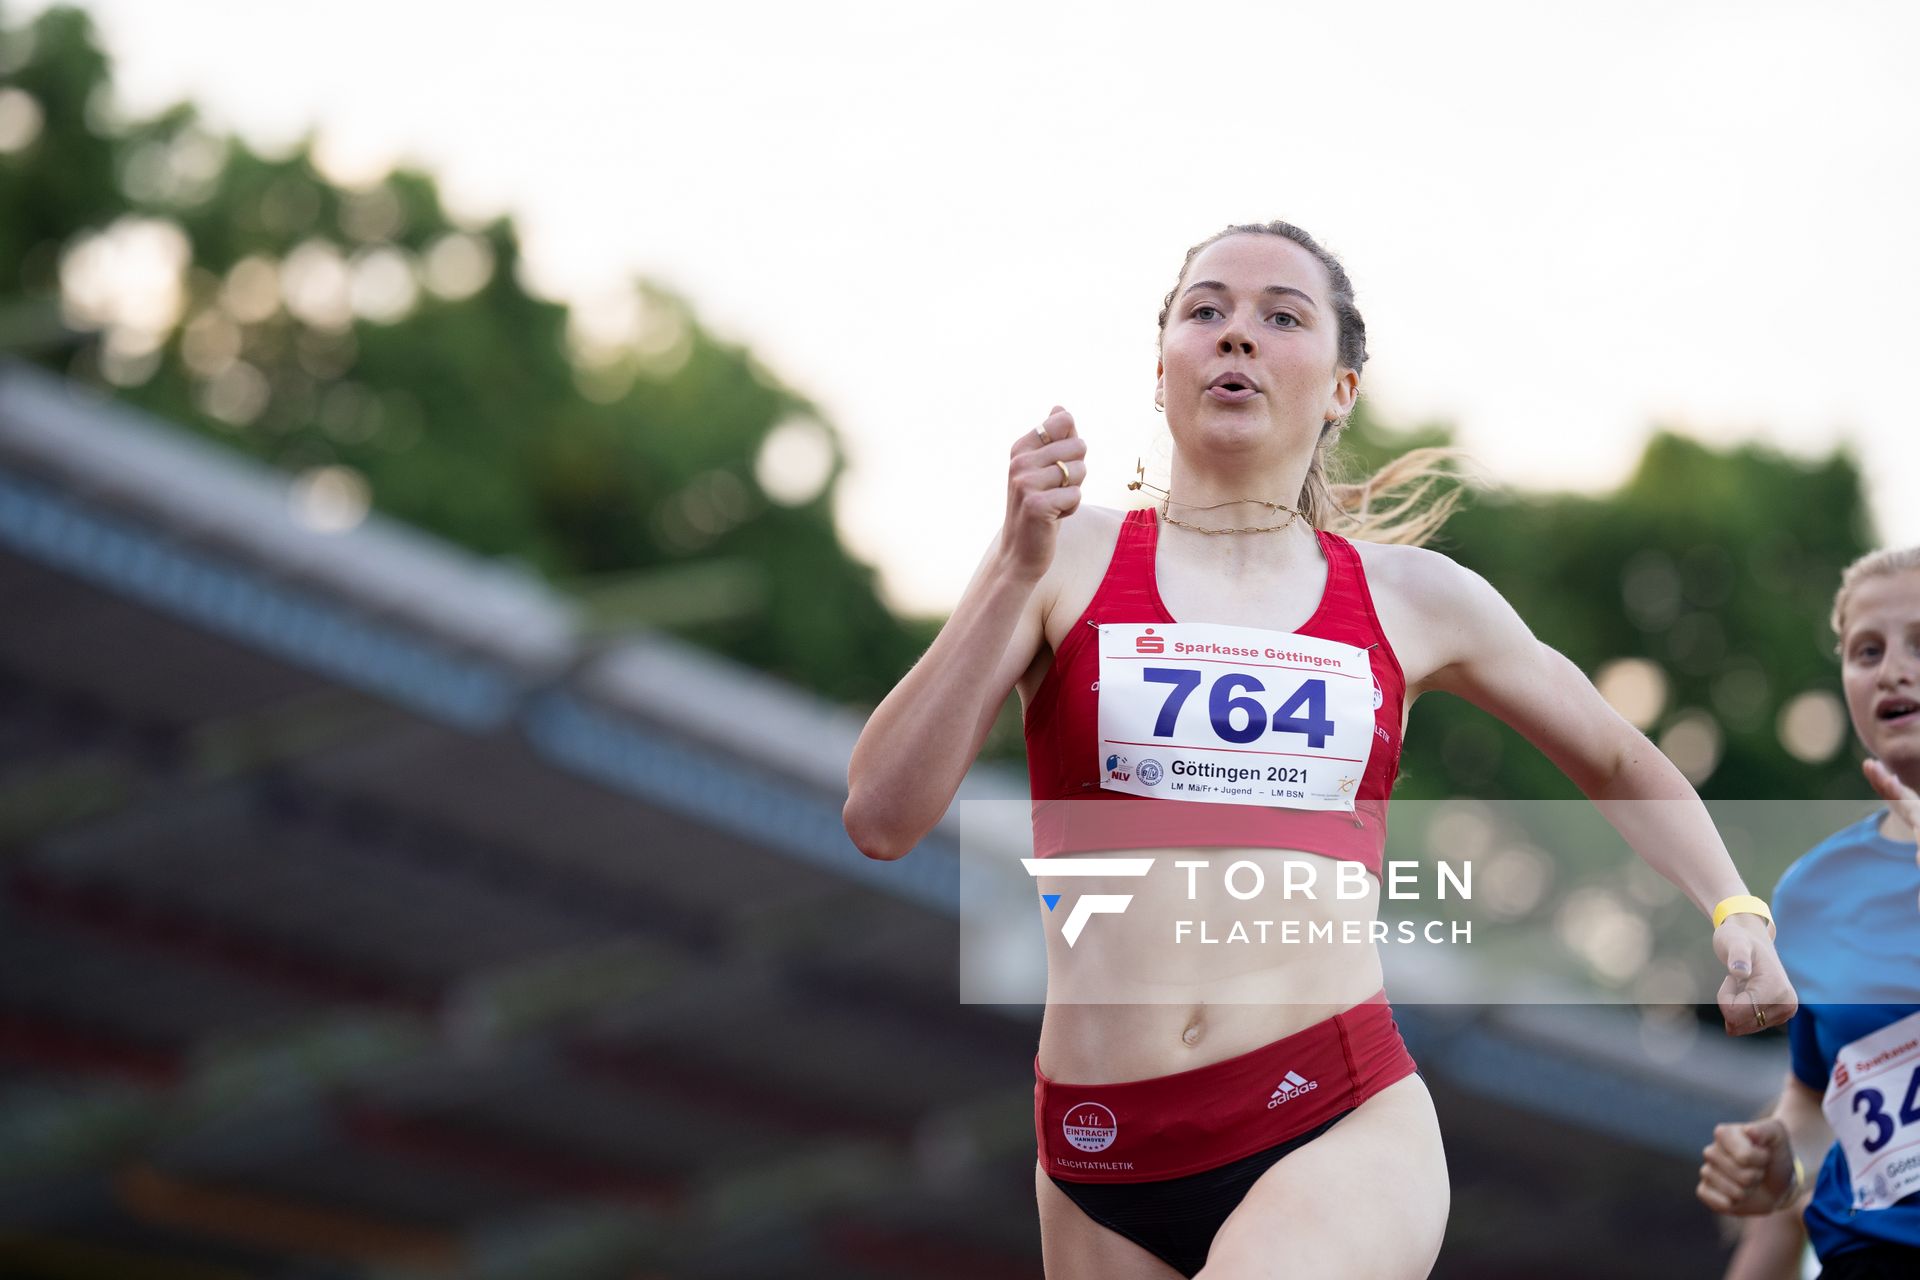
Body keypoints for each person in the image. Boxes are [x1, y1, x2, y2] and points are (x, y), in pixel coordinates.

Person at [845, 220, 1797, 1280]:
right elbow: (881, 814)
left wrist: (1734, 907)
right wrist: (1012, 573)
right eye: (1205, 311)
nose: (1236, 335)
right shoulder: (1062, 555)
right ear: (1161, 369)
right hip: (1097, 1150)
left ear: (1342, 386)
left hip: (1332, 1118)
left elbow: (1618, 759)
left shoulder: (1411, 597)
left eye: (1280, 316)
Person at [1699, 546, 1920, 1280]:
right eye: (1867, 650)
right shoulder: (1813, 891)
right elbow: (1818, 1107)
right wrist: (1779, 1163)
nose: (1891, 669)